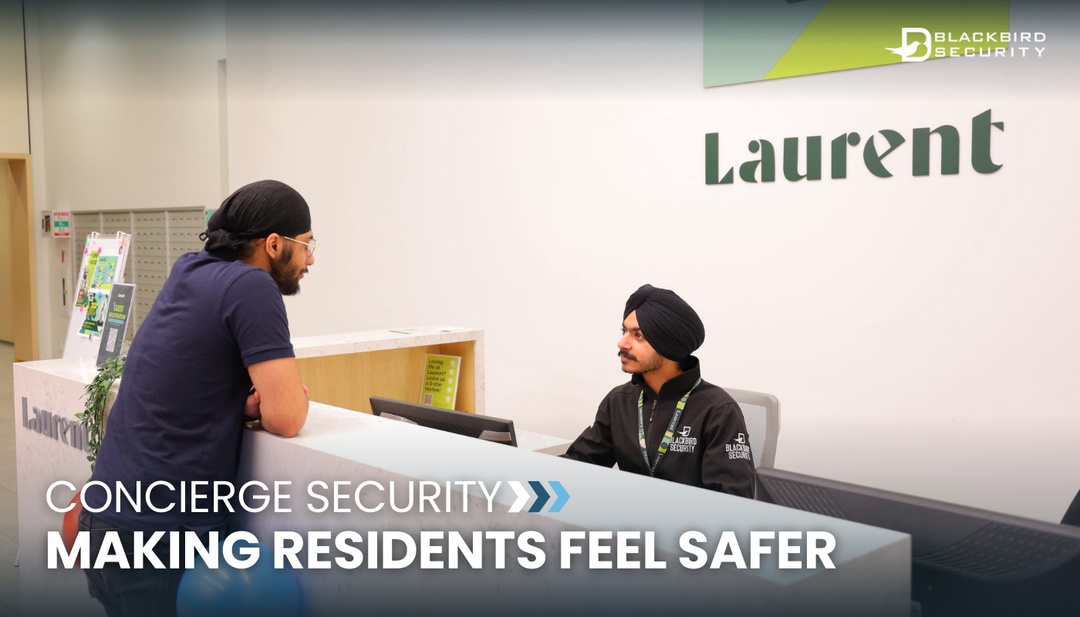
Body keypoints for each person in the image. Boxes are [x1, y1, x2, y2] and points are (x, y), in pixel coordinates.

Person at [79, 179, 316, 616]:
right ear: (275, 244)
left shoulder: (190, 267)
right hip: (159, 539)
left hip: (104, 522)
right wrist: (280, 399)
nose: (311, 258)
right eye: (307, 244)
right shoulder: (252, 286)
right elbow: (288, 417)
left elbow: (182, 374)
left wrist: (231, 402)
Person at [564, 284, 755, 497]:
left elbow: (734, 503)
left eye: (638, 336)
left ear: (668, 345)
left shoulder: (718, 411)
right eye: (624, 331)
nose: (622, 343)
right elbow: (579, 466)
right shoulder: (619, 401)